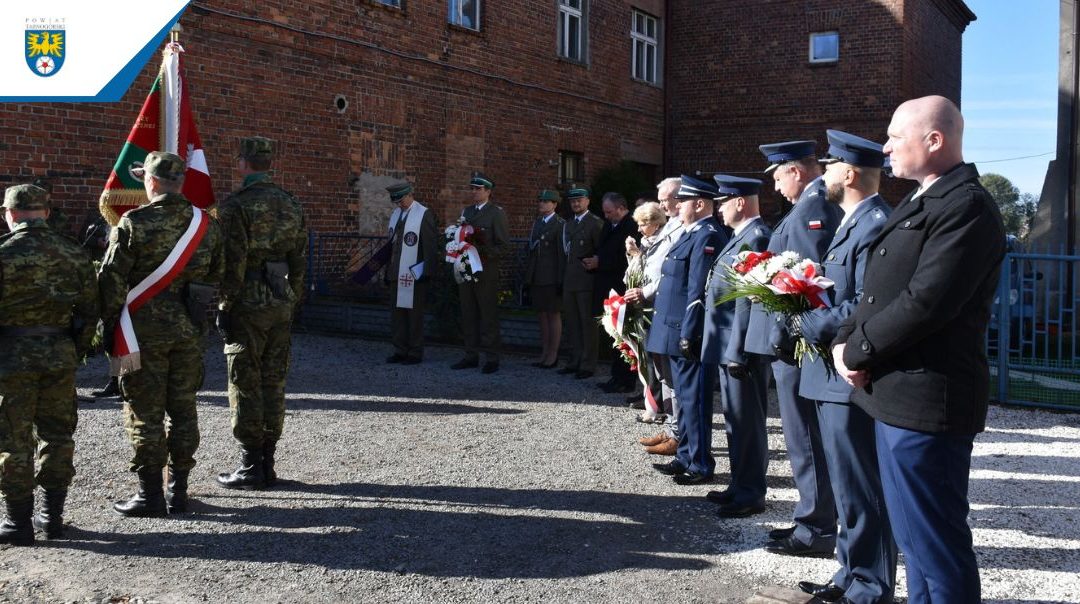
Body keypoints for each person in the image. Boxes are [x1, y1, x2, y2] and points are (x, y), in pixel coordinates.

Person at [833, 96, 1005, 604]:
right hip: (896, 392)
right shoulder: (921, 198)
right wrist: (846, 338)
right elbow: (877, 291)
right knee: (913, 538)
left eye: (894, 137)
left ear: (935, 140)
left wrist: (856, 351)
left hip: (928, 397)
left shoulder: (965, 206)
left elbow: (927, 302)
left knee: (937, 543)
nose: (884, 147)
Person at [792, 130, 896, 604]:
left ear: (849, 173)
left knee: (861, 486)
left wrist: (810, 322)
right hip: (830, 376)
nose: (824, 173)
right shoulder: (854, 221)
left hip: (846, 375)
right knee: (845, 483)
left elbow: (864, 301)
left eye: (831, 165)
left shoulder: (874, 223)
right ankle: (848, 575)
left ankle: (870, 587)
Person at [99, 151, 223, 517]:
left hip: (140, 334)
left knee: (144, 412)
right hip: (188, 331)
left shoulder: (133, 223)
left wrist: (108, 327)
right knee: (183, 409)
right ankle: (180, 491)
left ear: (150, 182)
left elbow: (110, 282)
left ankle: (150, 494)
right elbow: (218, 273)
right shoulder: (207, 225)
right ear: (180, 182)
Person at [746, 139, 841, 557]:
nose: (776, 186)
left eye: (779, 175)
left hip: (800, 343)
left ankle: (816, 527)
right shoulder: (807, 205)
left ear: (796, 171)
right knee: (801, 436)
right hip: (796, 341)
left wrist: (787, 336)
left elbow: (813, 283)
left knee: (805, 437)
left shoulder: (814, 208)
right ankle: (811, 518)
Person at [0, 185, 98, 545]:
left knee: (13, 439)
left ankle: (17, 523)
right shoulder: (73, 253)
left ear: (9, 214)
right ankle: (52, 517)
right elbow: (91, 312)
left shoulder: (4, 253)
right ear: (46, 211)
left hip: (10, 357)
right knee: (58, 436)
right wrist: (74, 348)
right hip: (59, 354)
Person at [216, 137, 307, 491]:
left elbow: (233, 262)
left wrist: (225, 304)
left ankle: (251, 465)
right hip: (280, 299)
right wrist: (292, 298)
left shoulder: (236, 206)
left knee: (245, 379)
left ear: (243, 163)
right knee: (274, 379)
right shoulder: (291, 203)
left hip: (248, 301)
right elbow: (299, 258)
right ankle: (267, 462)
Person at [648, 175, 729, 485]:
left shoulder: (707, 235)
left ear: (699, 203)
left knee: (694, 400)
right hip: (673, 327)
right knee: (683, 398)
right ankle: (685, 455)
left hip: (687, 331)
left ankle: (699, 463)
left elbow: (697, 290)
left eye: (682, 201)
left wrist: (689, 332)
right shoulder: (688, 233)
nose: (676, 206)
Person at [703, 174, 772, 518]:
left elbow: (750, 299)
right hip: (730, 344)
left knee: (748, 421)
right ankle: (739, 484)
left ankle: (751, 492)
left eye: (723, 202)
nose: (719, 209)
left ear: (740, 202)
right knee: (735, 419)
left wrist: (740, 349)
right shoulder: (740, 236)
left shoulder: (757, 237)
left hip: (740, 348)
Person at [631, 178, 685, 456]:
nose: (662, 204)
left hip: (666, 305)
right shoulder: (672, 226)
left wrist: (645, 292)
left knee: (673, 374)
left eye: (665, 199)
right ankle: (673, 427)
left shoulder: (680, 227)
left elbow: (667, 272)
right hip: (657, 305)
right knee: (664, 372)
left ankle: (679, 433)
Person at [450, 172, 509, 374]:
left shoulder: (495, 213)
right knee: (468, 313)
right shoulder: (467, 212)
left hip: (485, 271)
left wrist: (481, 250)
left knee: (488, 315)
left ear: (488, 191)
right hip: (467, 270)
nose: (474, 192)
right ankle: (470, 354)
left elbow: (503, 246)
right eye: (473, 189)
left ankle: (492, 357)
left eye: (478, 189)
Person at [585, 192, 640, 393]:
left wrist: (601, 262)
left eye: (609, 212)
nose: (606, 216)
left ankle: (626, 379)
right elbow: (603, 249)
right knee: (613, 334)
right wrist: (593, 259)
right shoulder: (610, 224)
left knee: (623, 333)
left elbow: (629, 260)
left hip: (620, 286)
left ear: (621, 208)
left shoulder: (632, 226)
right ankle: (616, 376)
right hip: (605, 285)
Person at [383, 181, 439, 365]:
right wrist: (387, 271)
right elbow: (390, 246)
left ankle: (415, 351)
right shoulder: (396, 215)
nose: (399, 204)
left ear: (409, 195)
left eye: (401, 200)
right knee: (397, 314)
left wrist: (426, 273)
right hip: (395, 273)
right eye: (396, 202)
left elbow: (430, 247)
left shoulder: (423, 214)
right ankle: (400, 349)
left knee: (414, 315)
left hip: (414, 274)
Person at [622, 200, 666, 419]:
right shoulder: (647, 241)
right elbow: (636, 273)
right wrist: (634, 254)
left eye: (642, 224)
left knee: (654, 357)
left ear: (654, 223)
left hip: (655, 305)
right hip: (643, 305)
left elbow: (660, 275)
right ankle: (651, 399)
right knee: (645, 355)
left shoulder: (665, 241)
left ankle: (657, 404)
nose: (638, 229)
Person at [558, 186, 604, 379]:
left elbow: (600, 251)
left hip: (586, 280)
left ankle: (588, 364)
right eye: (572, 201)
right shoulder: (568, 224)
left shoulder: (595, 223)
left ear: (587, 201)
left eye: (579, 200)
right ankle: (574, 360)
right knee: (572, 323)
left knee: (587, 324)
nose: (576, 204)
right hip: (570, 280)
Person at [524, 189, 566, 368]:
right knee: (541, 314)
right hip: (537, 276)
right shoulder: (538, 223)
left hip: (552, 277)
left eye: (546, 201)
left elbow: (561, 254)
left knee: (553, 314)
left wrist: (560, 279)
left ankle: (553, 354)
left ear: (555, 204)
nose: (542, 203)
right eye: (540, 200)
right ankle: (545, 351)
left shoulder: (560, 224)